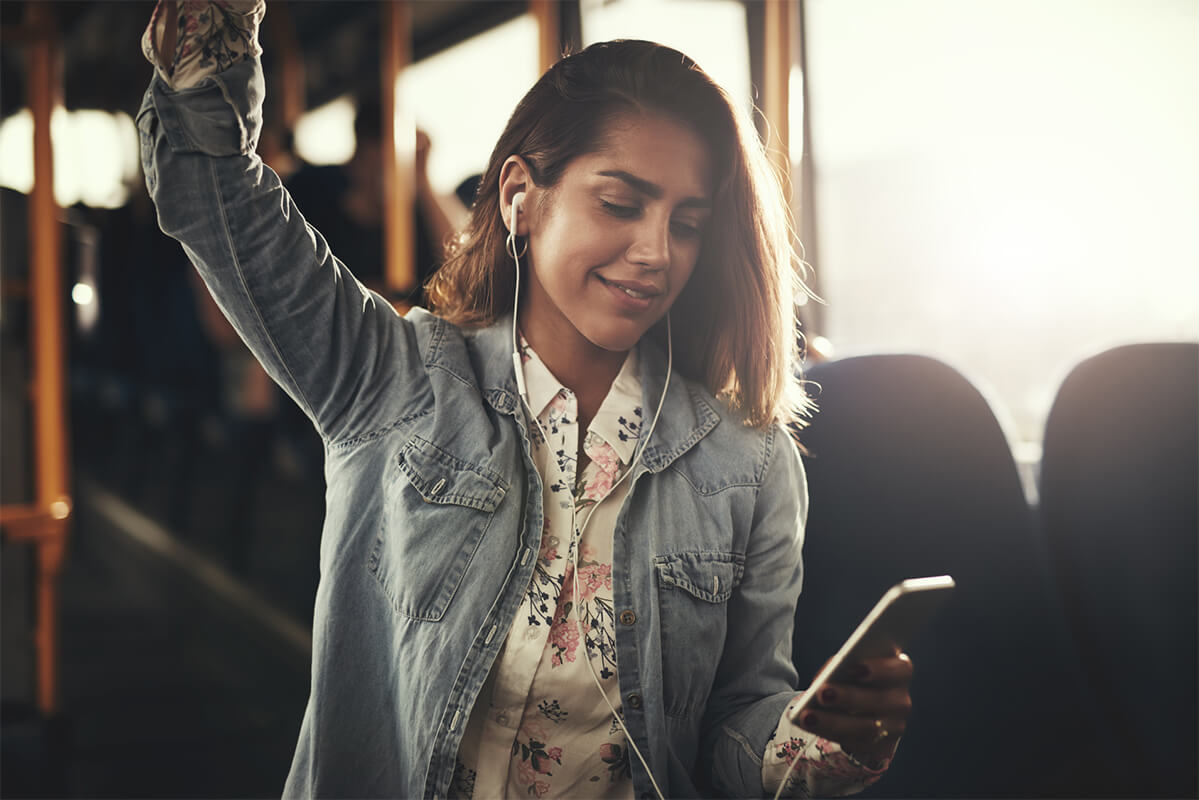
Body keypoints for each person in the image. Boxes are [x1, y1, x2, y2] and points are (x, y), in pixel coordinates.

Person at [137, 2, 914, 797]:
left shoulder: (747, 464)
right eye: (619, 204)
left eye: (685, 223)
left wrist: (807, 743)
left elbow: (734, 722)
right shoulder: (394, 381)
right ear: (520, 196)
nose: (654, 253)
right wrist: (212, 50)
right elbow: (215, 193)